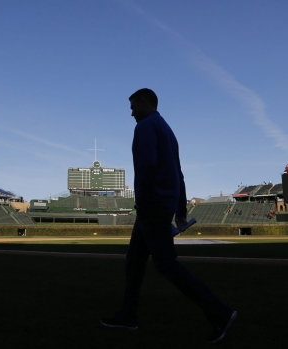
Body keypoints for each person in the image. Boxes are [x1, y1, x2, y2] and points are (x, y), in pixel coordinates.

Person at [100, 88, 237, 344]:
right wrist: (180, 212)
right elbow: (179, 174)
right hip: (159, 206)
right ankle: (128, 315)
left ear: (144, 102)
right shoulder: (166, 129)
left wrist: (144, 203)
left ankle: (221, 313)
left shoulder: (145, 126)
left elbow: (146, 167)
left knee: (166, 265)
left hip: (151, 206)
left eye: (132, 106)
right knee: (134, 262)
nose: (131, 112)